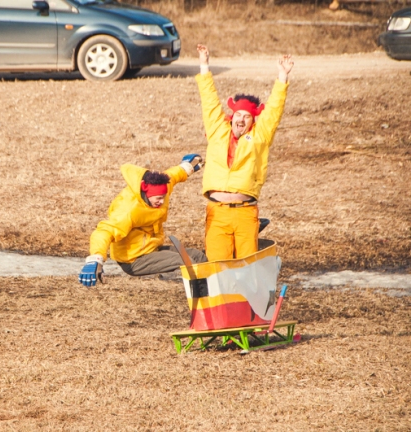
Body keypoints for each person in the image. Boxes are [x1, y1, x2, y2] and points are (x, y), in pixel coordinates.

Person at [195, 44, 294, 262]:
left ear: (252, 120)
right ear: (232, 116)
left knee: (247, 264)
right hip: (217, 212)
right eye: (238, 115)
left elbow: (274, 111)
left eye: (247, 116)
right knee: (217, 263)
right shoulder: (217, 130)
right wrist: (204, 65)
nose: (241, 119)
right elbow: (209, 101)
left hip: (246, 212)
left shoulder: (260, 136)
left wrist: (282, 77)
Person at [79, 155, 207, 287]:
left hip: (151, 249)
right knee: (186, 261)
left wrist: (186, 167)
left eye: (164, 197)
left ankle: (215, 289)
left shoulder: (161, 188)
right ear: (147, 194)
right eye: (158, 198)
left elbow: (172, 176)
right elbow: (104, 232)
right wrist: (95, 259)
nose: (162, 201)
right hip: (134, 259)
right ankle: (201, 293)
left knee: (199, 257)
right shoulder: (128, 210)